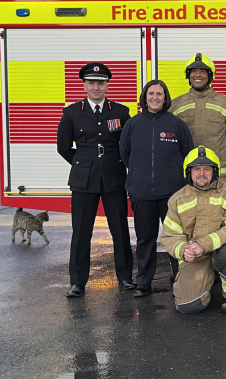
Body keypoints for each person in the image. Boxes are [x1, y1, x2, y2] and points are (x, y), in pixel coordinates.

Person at [57, 62, 134, 298]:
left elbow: (127, 145)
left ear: (107, 85)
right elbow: (63, 147)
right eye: (91, 83)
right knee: (81, 232)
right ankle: (78, 282)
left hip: (113, 178)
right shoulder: (71, 112)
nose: (96, 87)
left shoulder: (120, 112)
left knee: (120, 230)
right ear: (84, 85)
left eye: (100, 83)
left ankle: (125, 277)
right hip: (83, 180)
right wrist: (84, 164)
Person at [120, 79, 194, 297]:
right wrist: (139, 176)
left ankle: (181, 277)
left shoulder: (176, 125)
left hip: (172, 194)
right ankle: (143, 281)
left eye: (159, 94)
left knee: (176, 237)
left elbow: (188, 154)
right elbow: (125, 155)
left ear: (165, 98)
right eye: (151, 93)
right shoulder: (132, 125)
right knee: (145, 238)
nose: (155, 98)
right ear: (144, 97)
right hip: (141, 193)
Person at [160, 146, 226, 314]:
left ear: (215, 171)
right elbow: (170, 235)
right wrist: (184, 251)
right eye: (196, 169)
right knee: (188, 306)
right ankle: (208, 278)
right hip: (195, 258)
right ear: (189, 172)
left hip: (221, 250)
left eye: (207, 169)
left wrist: (203, 244)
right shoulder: (177, 199)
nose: (201, 174)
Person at [170, 53, 226, 184]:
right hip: (188, 173)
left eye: (202, 71)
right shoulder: (175, 105)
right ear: (188, 75)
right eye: (194, 71)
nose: (198, 75)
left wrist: (221, 154)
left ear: (210, 75)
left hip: (220, 174)